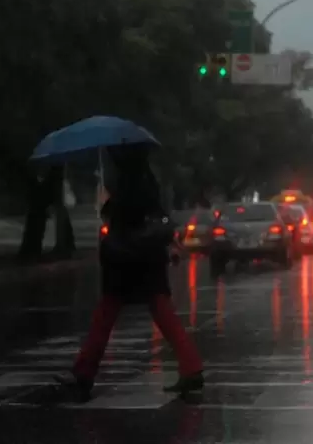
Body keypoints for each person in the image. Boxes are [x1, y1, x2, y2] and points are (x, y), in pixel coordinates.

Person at [56, 145, 203, 402]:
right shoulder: (149, 181)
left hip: (126, 260)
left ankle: (83, 375)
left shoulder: (129, 184)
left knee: (105, 317)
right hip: (149, 259)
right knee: (163, 314)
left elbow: (123, 216)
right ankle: (191, 367)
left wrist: (107, 207)